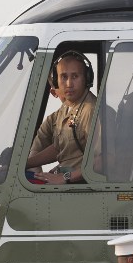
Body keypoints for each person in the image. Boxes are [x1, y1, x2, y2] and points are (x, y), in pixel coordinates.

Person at [26, 50, 96, 184]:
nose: (69, 83)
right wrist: (24, 164)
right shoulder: (67, 108)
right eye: (64, 77)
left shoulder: (90, 110)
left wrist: (64, 178)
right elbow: (59, 148)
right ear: (56, 81)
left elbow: (104, 160)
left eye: (75, 76)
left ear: (86, 78)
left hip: (78, 185)